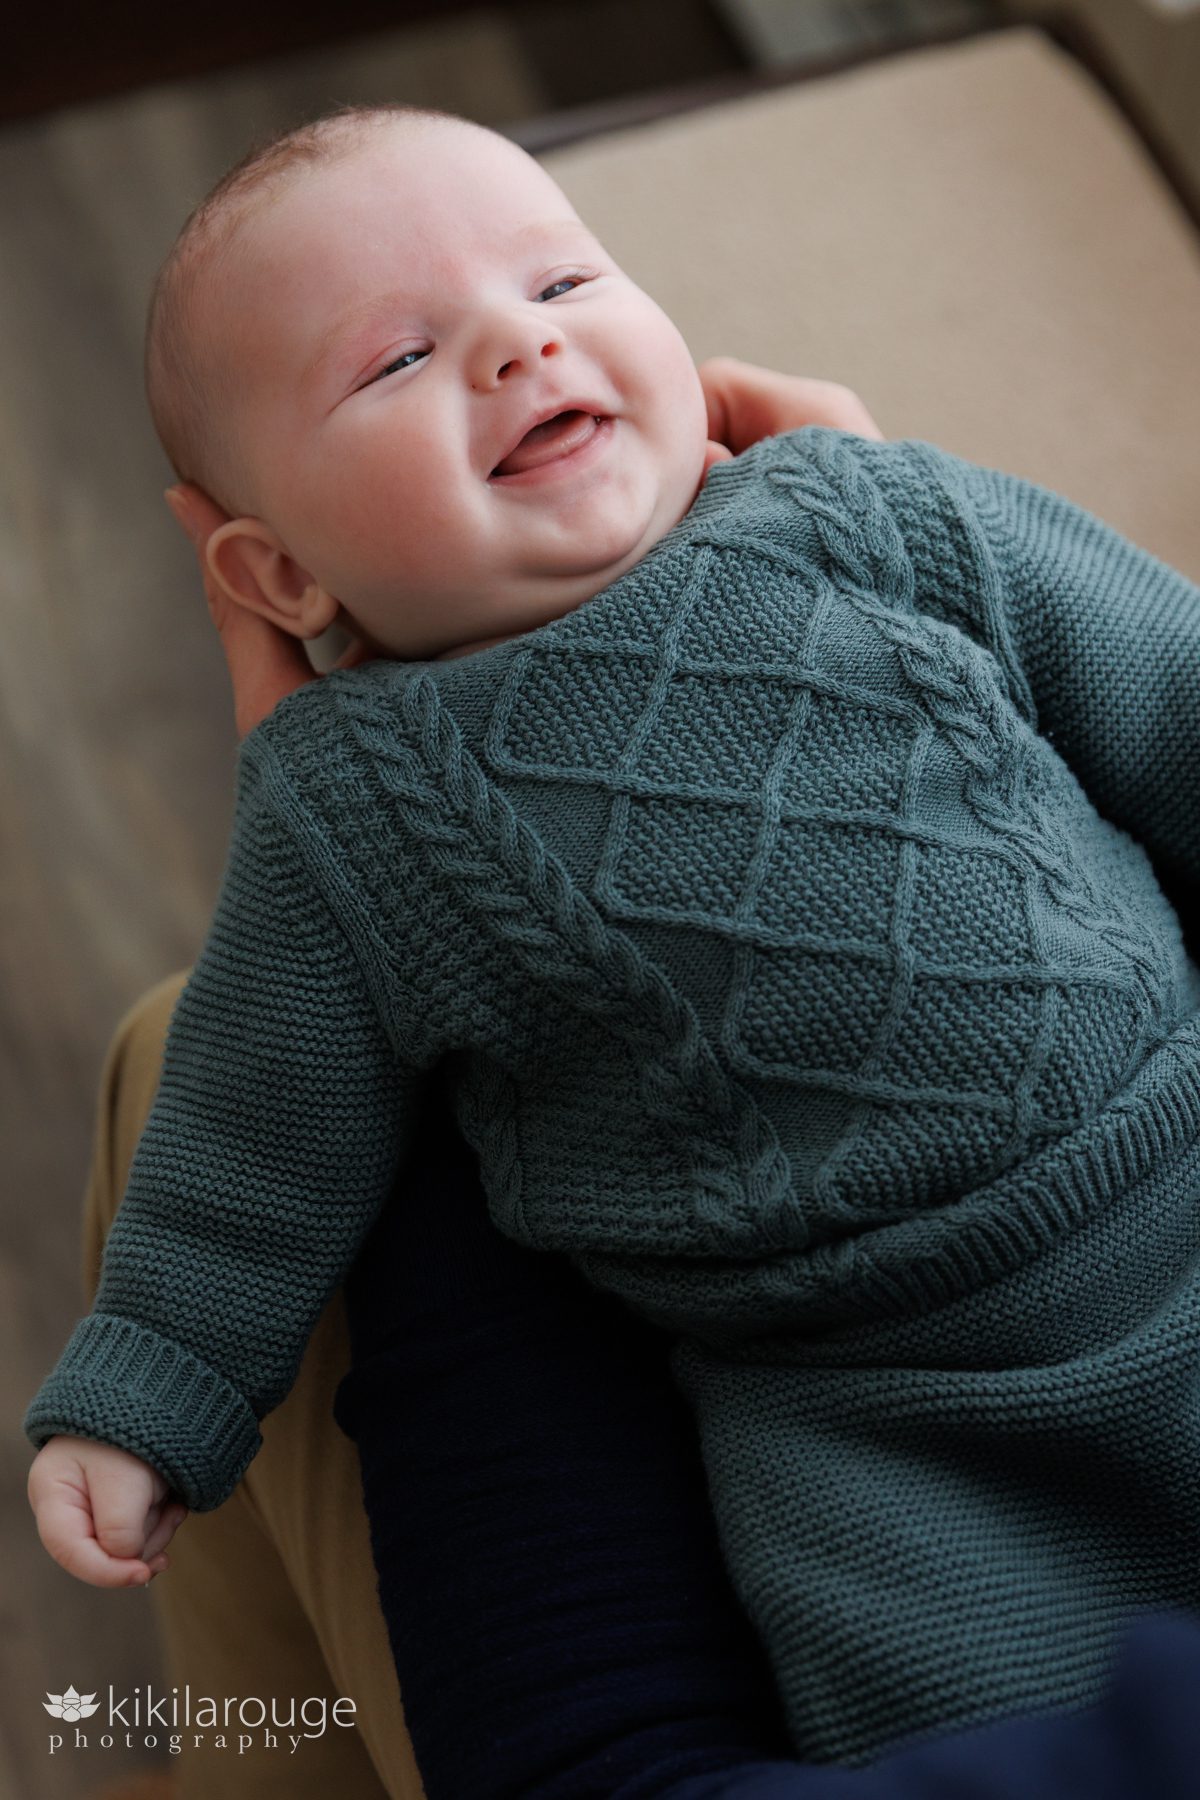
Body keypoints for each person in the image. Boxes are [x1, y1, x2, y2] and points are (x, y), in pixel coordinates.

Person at [24, 94, 1200, 1768]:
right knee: (960, 1688)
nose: (517, 348)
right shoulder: (353, 803)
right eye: (396, 360)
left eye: (564, 288)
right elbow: (252, 1125)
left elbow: (1170, 698)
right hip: (872, 1403)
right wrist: (150, 1378)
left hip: (1179, 1177)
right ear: (279, 576)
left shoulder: (874, 517)